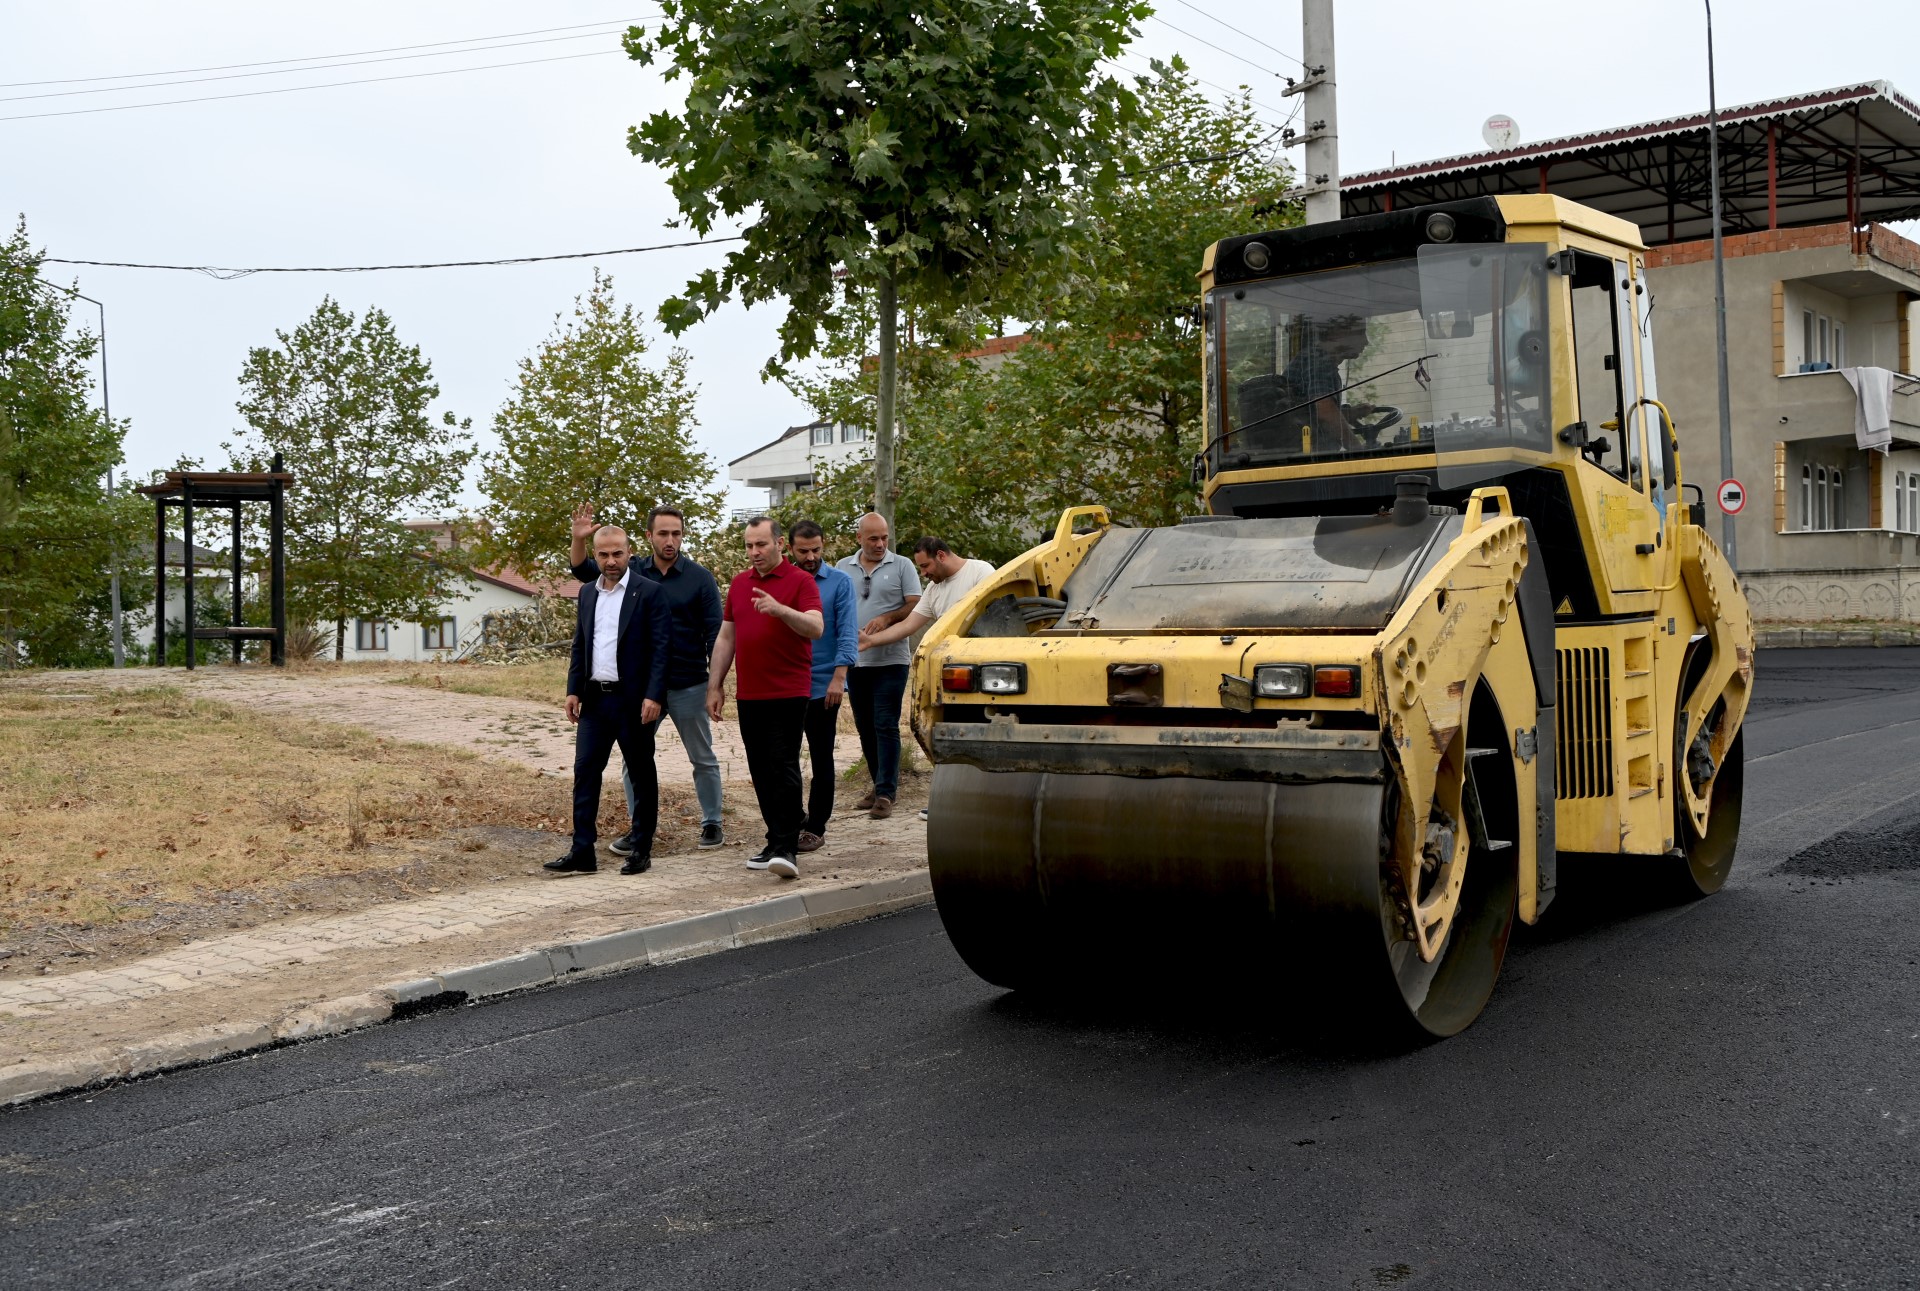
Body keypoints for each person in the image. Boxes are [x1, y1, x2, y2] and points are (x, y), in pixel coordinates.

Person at [571, 502, 726, 850]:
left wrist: (716, 683)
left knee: (702, 756)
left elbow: (716, 632)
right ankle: (638, 828)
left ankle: (712, 822)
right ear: (648, 536)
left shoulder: (699, 578)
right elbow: (583, 572)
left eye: (676, 533)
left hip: (687, 682)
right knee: (635, 759)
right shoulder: (632, 569)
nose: (670, 540)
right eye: (663, 533)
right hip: (640, 688)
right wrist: (579, 538)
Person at [547, 525, 671, 876]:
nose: (611, 560)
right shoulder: (588, 593)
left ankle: (641, 849)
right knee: (585, 772)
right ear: (596, 555)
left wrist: (654, 696)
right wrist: (573, 689)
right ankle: (582, 851)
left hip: (634, 702)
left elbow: (663, 650)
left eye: (617, 553)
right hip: (594, 702)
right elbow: (579, 644)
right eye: (603, 554)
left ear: (629, 552)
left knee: (641, 775)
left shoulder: (650, 593)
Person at [707, 516, 823, 879]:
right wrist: (715, 684)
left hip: (789, 691)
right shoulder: (740, 584)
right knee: (760, 770)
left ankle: (788, 847)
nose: (754, 552)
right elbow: (726, 638)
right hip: (750, 694)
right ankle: (774, 840)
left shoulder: (801, 581)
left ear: (779, 545)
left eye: (761, 544)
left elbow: (816, 627)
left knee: (782, 764)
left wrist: (780, 610)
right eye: (749, 545)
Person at [835, 512, 921, 821]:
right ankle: (877, 783)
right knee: (865, 726)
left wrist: (887, 618)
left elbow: (915, 604)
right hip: (856, 661)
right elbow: (833, 606)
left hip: (891, 660)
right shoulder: (842, 568)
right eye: (873, 538)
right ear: (859, 538)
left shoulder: (902, 566)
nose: (880, 544)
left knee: (885, 723)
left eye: (884, 537)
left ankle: (886, 793)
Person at [787, 519, 858, 853]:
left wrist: (839, 679)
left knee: (821, 757)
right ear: (790, 549)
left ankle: (816, 826)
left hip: (823, 686)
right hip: (786, 686)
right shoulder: (782, 582)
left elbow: (847, 632)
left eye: (816, 549)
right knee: (784, 759)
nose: (811, 556)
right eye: (804, 551)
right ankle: (794, 817)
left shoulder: (840, 582)